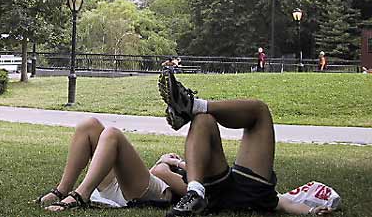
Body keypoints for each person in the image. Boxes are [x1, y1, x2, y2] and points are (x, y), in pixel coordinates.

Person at [158, 67, 340, 216]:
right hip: (248, 192)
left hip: (218, 190)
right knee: (258, 110)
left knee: (204, 118)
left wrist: (174, 162)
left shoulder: (189, 166)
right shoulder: (178, 174)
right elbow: (285, 204)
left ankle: (192, 109)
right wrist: (311, 211)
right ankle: (192, 107)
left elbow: (286, 204)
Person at [36, 117, 187, 211]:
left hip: (151, 192)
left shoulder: (198, 183)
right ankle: (62, 190)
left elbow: (161, 173)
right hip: (126, 184)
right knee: (89, 125)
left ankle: (81, 195)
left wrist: (171, 162)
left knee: (112, 134)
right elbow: (152, 172)